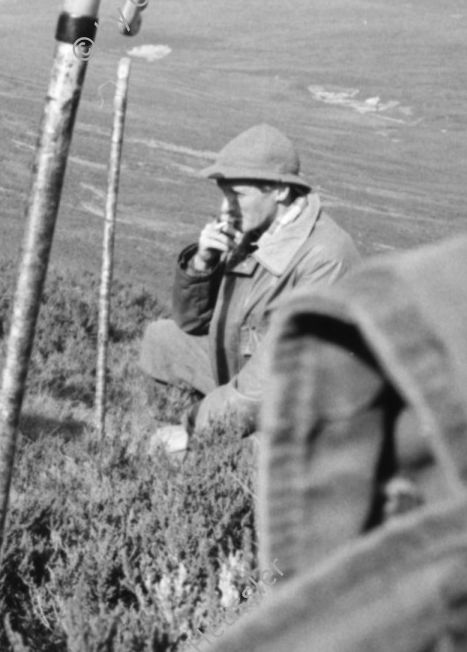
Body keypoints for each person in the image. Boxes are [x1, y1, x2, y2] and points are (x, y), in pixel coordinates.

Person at [138, 123, 360, 454]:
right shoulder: (256, 230)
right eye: (224, 194)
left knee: (190, 460)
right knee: (162, 339)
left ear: (281, 191)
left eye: (238, 195)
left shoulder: (326, 259)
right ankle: (169, 439)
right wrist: (203, 263)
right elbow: (192, 324)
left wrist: (192, 430)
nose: (227, 207)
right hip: (246, 369)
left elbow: (266, 384)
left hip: (302, 413)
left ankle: (193, 459)